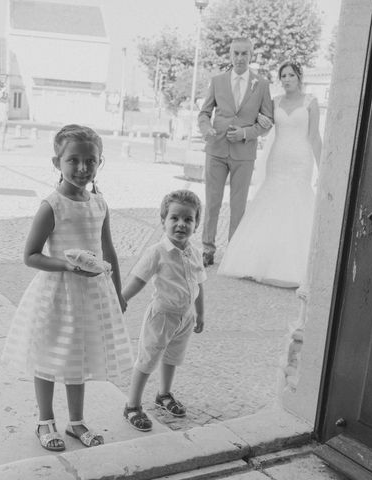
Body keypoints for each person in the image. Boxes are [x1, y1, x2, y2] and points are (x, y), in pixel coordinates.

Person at [2, 124, 133, 451]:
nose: (82, 168)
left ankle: (76, 422)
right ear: (56, 162)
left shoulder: (99, 203)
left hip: (90, 296)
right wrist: (67, 265)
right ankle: (45, 421)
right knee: (48, 357)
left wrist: (117, 291)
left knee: (79, 357)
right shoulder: (52, 205)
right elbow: (30, 256)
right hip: (57, 294)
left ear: (99, 162)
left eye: (90, 160)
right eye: (73, 160)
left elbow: (108, 250)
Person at [217, 61, 322, 288]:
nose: (286, 80)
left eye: (291, 75)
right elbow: (262, 126)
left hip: (301, 159)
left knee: (297, 202)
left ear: (299, 77)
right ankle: (256, 262)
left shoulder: (311, 102)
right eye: (283, 76)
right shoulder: (274, 102)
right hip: (278, 157)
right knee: (271, 201)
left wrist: (322, 166)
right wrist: (246, 127)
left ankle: (292, 267)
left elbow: (314, 136)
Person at [121, 190, 206, 432]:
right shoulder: (156, 252)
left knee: (172, 358)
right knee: (147, 359)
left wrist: (200, 313)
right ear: (163, 221)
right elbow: (139, 279)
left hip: (186, 317)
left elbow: (200, 284)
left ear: (196, 224)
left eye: (188, 219)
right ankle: (132, 406)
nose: (181, 224)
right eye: (175, 218)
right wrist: (122, 300)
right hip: (161, 316)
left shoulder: (195, 253)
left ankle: (164, 394)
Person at [197, 37, 274, 267]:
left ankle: (234, 252)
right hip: (216, 149)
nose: (240, 58)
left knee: (238, 205)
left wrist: (245, 133)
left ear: (252, 56)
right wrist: (206, 128)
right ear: (230, 55)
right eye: (236, 53)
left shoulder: (261, 84)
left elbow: (268, 120)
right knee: (212, 202)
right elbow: (204, 113)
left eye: (244, 54)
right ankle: (207, 249)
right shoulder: (217, 81)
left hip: (244, 153)